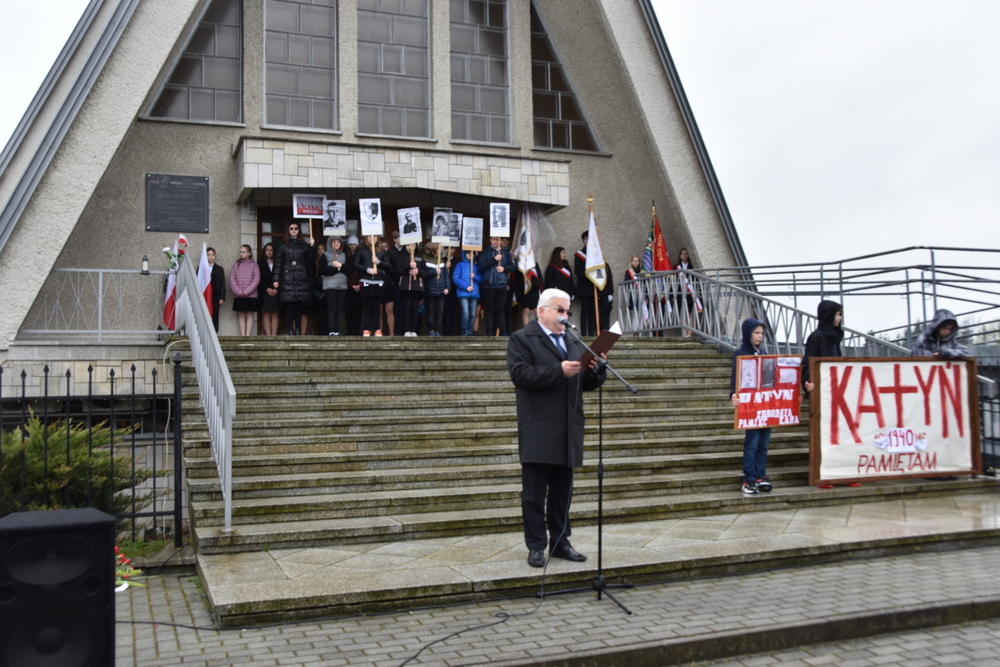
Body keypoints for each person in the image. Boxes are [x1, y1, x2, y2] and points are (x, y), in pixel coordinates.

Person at [507, 288, 607, 568]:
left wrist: (597, 372)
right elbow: (520, 375)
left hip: (568, 428)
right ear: (542, 312)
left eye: (568, 311)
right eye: (560, 310)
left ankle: (561, 542)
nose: (565, 316)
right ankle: (536, 545)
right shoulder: (522, 338)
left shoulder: (574, 342)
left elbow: (582, 383)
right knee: (534, 494)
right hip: (539, 428)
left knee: (563, 493)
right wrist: (558, 371)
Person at [801, 300, 861, 489]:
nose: (840, 318)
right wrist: (807, 382)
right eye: (837, 314)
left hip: (838, 394)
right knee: (825, 436)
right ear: (829, 316)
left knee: (843, 435)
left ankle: (844, 472)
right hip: (823, 394)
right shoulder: (817, 337)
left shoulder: (835, 337)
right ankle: (825, 475)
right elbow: (806, 364)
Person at [730, 318, 772, 496]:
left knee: (763, 442)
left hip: (765, 405)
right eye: (756, 333)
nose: (760, 336)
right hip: (751, 407)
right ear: (748, 333)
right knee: (752, 442)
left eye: (762, 333)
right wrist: (733, 394)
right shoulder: (740, 353)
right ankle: (749, 478)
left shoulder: (763, 352)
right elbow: (735, 378)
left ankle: (760, 474)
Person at [272, 222, 315, 336]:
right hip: (287, 276)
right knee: (289, 305)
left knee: (299, 306)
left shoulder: (304, 245)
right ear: (288, 231)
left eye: (296, 228)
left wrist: (311, 246)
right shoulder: (283, 246)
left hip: (301, 276)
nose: (294, 230)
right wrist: (276, 280)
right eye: (291, 228)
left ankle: (298, 330)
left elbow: (310, 259)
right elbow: (278, 264)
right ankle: (290, 329)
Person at [478, 236, 515, 336]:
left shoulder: (505, 252)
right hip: (489, 285)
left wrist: (504, 268)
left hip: (502, 285)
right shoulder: (486, 252)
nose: (495, 242)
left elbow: (513, 266)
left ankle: (502, 330)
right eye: (493, 239)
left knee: (501, 309)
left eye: (497, 240)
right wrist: (494, 259)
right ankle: (490, 331)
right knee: (490, 309)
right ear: (490, 240)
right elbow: (481, 266)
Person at [354, 236, 386, 336]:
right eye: (369, 236)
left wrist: (378, 263)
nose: (372, 238)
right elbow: (356, 264)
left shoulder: (381, 251)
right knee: (366, 307)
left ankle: (377, 329)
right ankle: (365, 329)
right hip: (366, 281)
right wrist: (367, 270)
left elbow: (388, 266)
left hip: (378, 282)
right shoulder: (361, 251)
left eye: (375, 236)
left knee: (376, 308)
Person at [318, 236, 348, 335]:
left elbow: (349, 269)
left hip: (342, 286)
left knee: (339, 309)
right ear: (330, 243)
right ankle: (331, 330)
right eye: (334, 241)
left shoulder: (344, 255)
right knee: (331, 309)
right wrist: (336, 269)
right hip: (330, 285)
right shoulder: (325, 255)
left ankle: (338, 330)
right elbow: (322, 270)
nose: (337, 243)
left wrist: (341, 266)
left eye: (339, 241)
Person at [229, 245, 260, 336]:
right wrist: (238, 291)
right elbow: (232, 279)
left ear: (249, 253)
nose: (241, 254)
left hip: (250, 295)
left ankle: (248, 335)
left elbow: (256, 279)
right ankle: (242, 335)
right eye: (240, 252)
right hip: (239, 294)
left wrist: (246, 291)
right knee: (241, 314)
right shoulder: (236, 265)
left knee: (249, 314)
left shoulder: (254, 265)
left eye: (243, 252)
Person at [396, 242, 425, 336]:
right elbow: (398, 270)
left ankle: (413, 330)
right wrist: (409, 267)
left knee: (414, 308)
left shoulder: (420, 257)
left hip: (416, 287)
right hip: (405, 286)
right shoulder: (401, 256)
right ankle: (406, 330)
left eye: (412, 245)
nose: (410, 247)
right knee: (407, 307)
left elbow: (425, 272)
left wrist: (418, 271)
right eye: (408, 245)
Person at [422, 242, 450, 337]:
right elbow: (424, 274)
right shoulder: (424, 260)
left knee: (439, 312)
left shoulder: (441, 260)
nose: (439, 251)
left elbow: (445, 275)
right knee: (431, 311)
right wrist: (434, 272)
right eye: (438, 249)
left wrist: (447, 287)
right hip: (430, 290)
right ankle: (431, 330)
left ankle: (438, 330)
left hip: (441, 290)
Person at [454, 250, 481, 336]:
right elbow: (455, 278)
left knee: (472, 314)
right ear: (464, 254)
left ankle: (469, 331)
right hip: (463, 293)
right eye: (468, 253)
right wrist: (466, 287)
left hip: (474, 293)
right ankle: (464, 331)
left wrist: (475, 277)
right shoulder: (459, 265)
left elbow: (481, 279)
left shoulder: (477, 267)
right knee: (465, 312)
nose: (470, 255)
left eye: (472, 253)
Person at [574, 231, 595, 336]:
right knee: (585, 310)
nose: (587, 241)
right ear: (583, 241)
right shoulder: (579, 255)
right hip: (584, 287)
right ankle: (583, 334)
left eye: (589, 239)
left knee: (592, 311)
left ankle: (591, 334)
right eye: (585, 239)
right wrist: (588, 272)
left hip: (593, 286)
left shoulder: (596, 254)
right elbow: (577, 271)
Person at [258, 243, 280, 335]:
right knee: (266, 313)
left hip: (276, 291)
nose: (269, 252)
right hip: (265, 291)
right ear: (264, 251)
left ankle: (274, 336)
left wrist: (277, 289)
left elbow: (281, 276)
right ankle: (268, 336)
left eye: (271, 250)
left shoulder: (278, 262)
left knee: (275, 313)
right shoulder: (260, 263)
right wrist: (267, 288)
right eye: (267, 250)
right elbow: (259, 277)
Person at [343, 236, 362, 335]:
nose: (352, 246)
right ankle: (350, 332)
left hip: (360, 287)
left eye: (354, 244)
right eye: (350, 244)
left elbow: (362, 271)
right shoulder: (345, 257)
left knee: (358, 312)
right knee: (349, 312)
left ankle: (357, 333)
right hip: (348, 287)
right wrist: (351, 284)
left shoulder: (361, 256)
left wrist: (359, 284)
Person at [205, 247, 226, 332]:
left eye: (212, 255)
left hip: (215, 297)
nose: (210, 257)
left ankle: (214, 333)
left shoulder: (219, 269)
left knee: (215, 315)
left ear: (215, 256)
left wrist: (222, 297)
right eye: (208, 255)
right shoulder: (201, 268)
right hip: (205, 296)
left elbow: (222, 283)